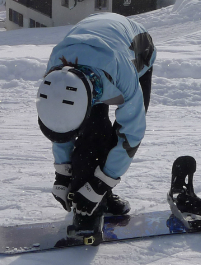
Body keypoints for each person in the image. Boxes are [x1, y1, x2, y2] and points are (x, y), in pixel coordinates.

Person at [35, 12, 155, 245]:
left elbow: (130, 135)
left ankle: (97, 198)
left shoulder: (123, 75)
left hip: (136, 49)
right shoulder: (54, 78)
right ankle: (92, 201)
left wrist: (100, 184)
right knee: (93, 131)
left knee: (120, 132)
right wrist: (62, 173)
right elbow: (62, 124)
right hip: (88, 49)